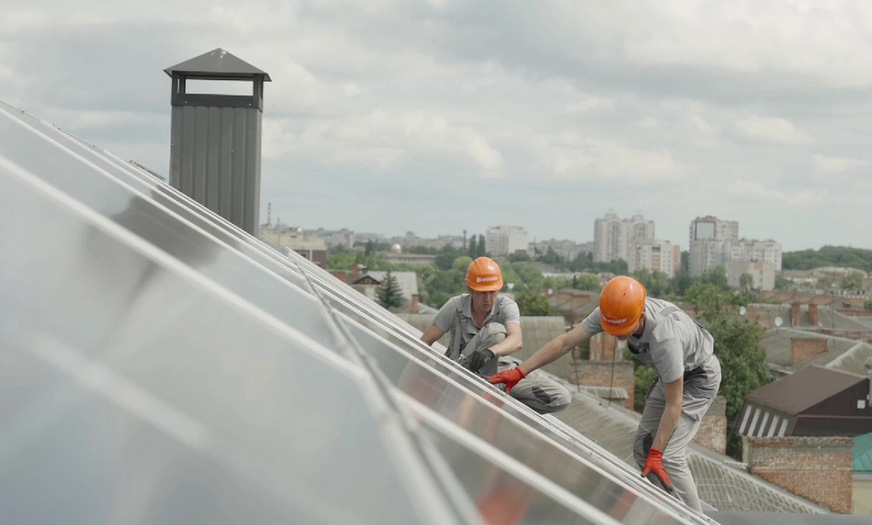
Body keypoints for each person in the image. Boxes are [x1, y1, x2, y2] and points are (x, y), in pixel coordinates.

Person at [489, 275, 721, 512]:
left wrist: (658, 450)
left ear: (639, 315)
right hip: (669, 375)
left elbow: (674, 404)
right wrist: (520, 371)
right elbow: (566, 342)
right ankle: (671, 513)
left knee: (667, 456)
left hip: (699, 379)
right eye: (612, 329)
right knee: (643, 451)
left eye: (623, 329)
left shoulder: (665, 339)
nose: (616, 334)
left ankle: (695, 519)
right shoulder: (614, 309)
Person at [420, 256, 571, 414]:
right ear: (470, 289)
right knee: (495, 331)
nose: (487, 299)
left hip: (500, 376)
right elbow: (425, 342)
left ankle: (503, 419)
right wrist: (406, 383)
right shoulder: (455, 306)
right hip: (461, 373)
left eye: (492, 292)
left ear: (499, 289)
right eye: (482, 293)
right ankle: (476, 405)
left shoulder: (506, 306)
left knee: (560, 397)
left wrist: (490, 352)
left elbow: (516, 340)